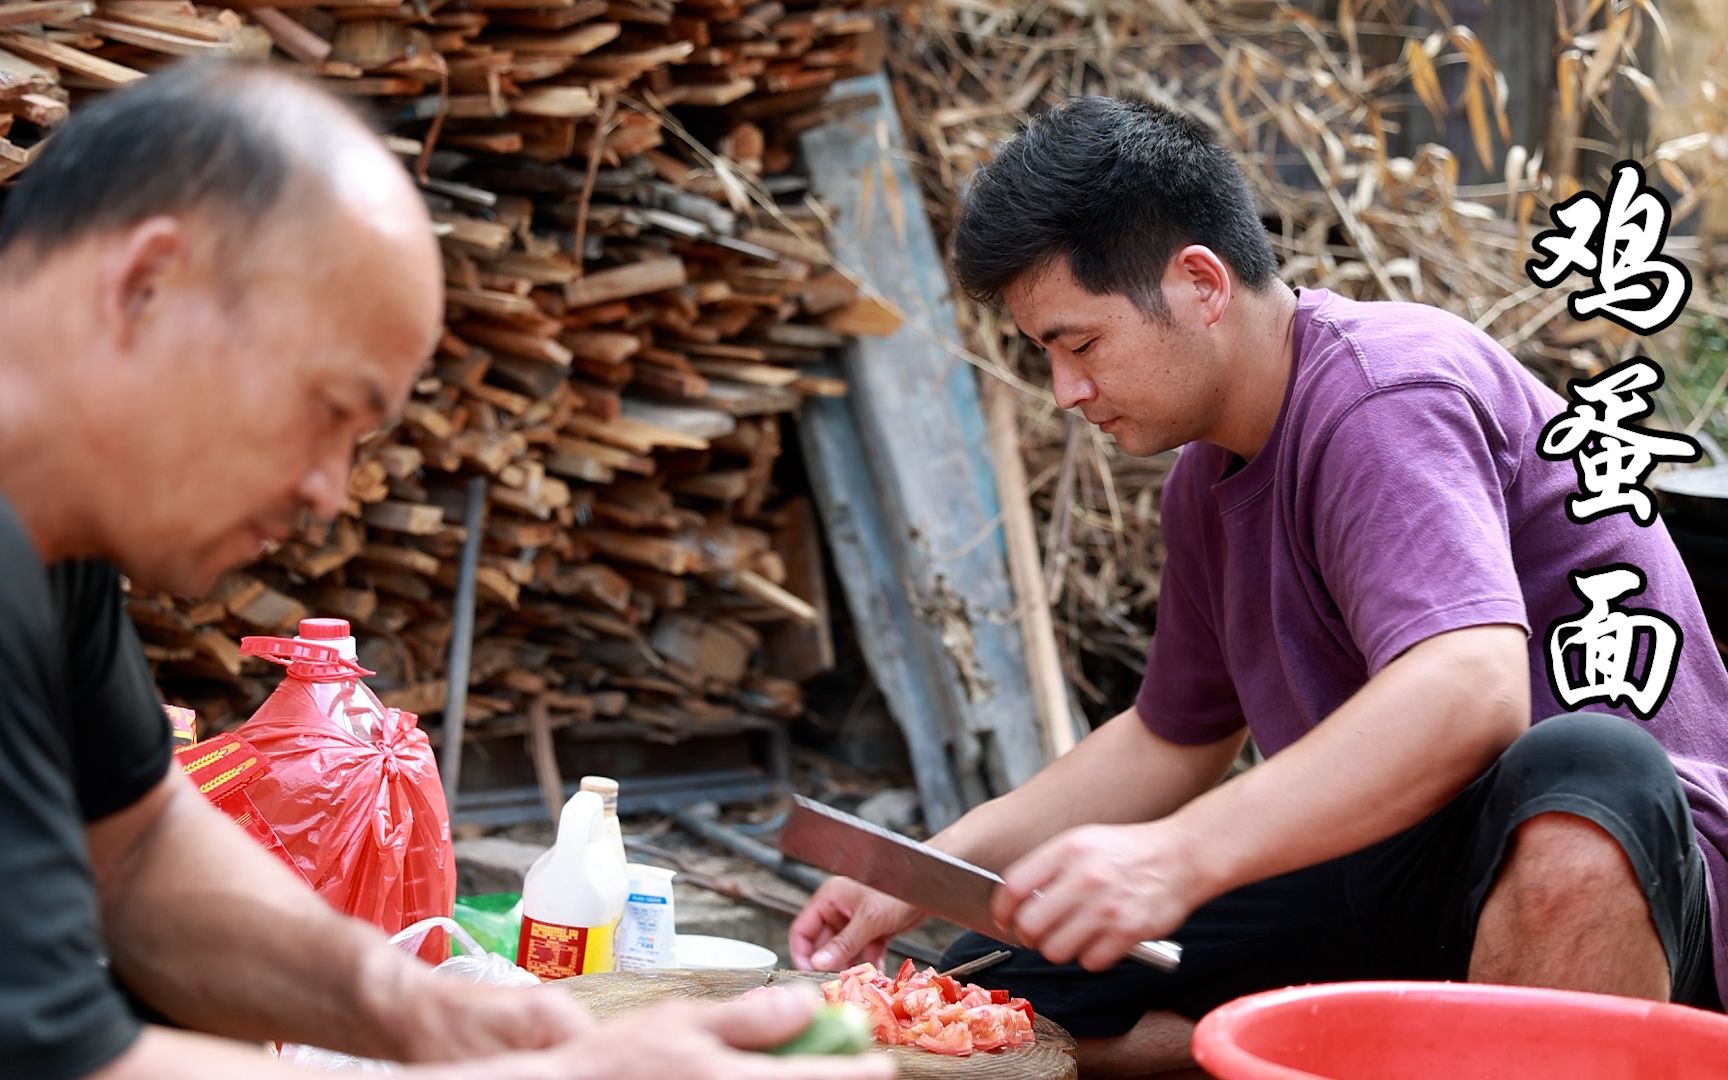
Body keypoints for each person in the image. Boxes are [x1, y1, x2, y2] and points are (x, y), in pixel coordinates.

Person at [790, 95, 1728, 1075]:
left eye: (1082, 344)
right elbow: (1169, 739)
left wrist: (1174, 857)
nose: (1067, 392)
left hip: (1624, 866)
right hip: (1406, 866)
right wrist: (921, 872)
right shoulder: (1209, 480)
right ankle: (1297, 1052)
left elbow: (1471, 689)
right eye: (1048, 357)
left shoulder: (1384, 393)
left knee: (1586, 764)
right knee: (1004, 980)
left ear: (1200, 282)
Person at [0, 60, 892, 1080]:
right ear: (146, 288)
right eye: (329, 409)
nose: (328, 493)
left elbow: (141, 844)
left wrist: (423, 1011)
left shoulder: (48, 533)